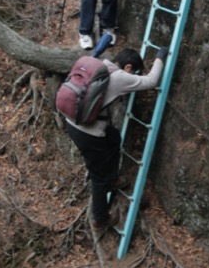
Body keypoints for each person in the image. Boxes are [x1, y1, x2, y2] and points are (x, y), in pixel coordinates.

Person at [64, 45, 169, 232]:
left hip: (72, 122)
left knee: (113, 138)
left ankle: (112, 178)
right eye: (133, 71)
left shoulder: (100, 64)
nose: (133, 75)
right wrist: (161, 56)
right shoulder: (119, 77)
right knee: (98, 176)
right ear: (128, 67)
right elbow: (151, 81)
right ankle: (100, 219)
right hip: (88, 134)